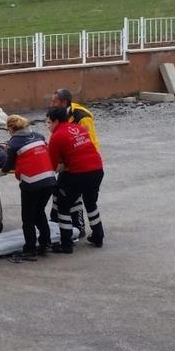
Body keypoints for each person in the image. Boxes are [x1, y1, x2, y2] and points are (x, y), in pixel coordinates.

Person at [46, 106, 105, 254]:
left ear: (56, 121)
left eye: (48, 123)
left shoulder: (57, 136)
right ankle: (98, 235)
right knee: (91, 202)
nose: (48, 126)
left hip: (78, 174)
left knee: (63, 204)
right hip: (97, 169)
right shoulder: (79, 128)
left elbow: (52, 166)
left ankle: (66, 243)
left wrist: (64, 166)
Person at [0, 115, 57, 262]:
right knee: (39, 212)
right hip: (50, 180)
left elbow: (8, 165)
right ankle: (45, 243)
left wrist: (1, 171)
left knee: (28, 218)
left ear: (12, 128)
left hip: (32, 183)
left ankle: (30, 249)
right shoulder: (39, 136)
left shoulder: (13, 143)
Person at [49, 88, 100, 236]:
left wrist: (66, 165)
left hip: (80, 165)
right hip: (72, 163)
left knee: (70, 197)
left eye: (54, 102)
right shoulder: (59, 115)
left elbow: (90, 143)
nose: (51, 105)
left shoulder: (82, 117)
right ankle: (57, 223)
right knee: (60, 191)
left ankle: (76, 227)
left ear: (64, 103)